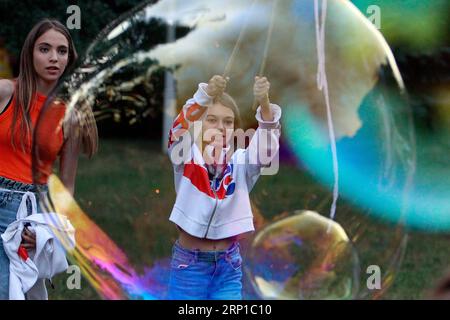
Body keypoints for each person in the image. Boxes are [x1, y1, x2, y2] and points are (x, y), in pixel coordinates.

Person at [0, 19, 97, 300]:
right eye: (45, 49)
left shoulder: (69, 116)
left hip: (31, 216)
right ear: (30, 53)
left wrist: (51, 230)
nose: (54, 57)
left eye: (62, 51)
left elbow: (66, 186)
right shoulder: (6, 92)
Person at [166, 74, 281, 299]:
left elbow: (265, 152)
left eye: (227, 122)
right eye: (212, 120)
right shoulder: (186, 156)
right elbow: (178, 130)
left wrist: (265, 105)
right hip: (189, 266)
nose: (220, 127)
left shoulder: (241, 163)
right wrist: (204, 96)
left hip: (229, 266)